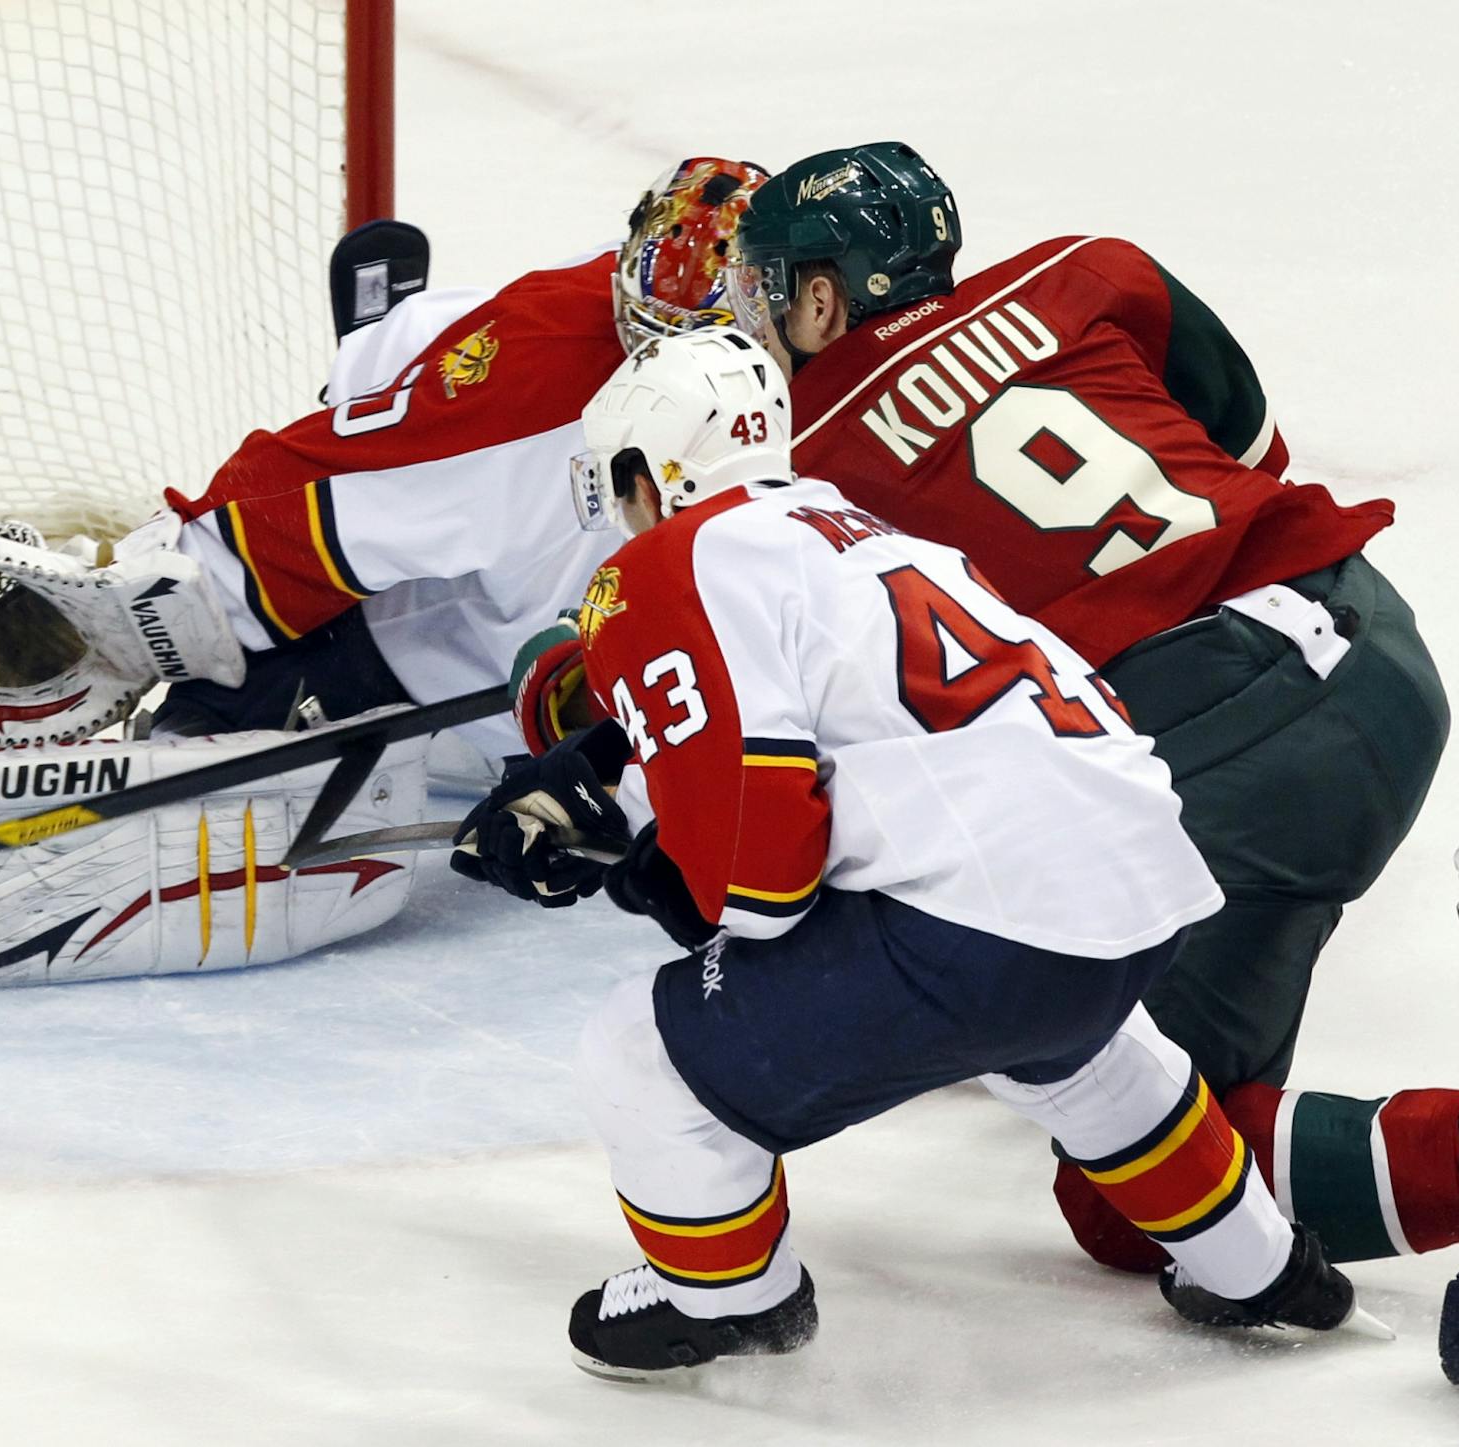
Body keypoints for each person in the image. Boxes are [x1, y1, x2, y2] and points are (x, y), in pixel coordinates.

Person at [450, 326, 1365, 1379]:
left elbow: (759, 890)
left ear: (647, 474)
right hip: (1133, 885)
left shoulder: (673, 557)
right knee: (1081, 1049)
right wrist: (626, 807)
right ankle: (1260, 1266)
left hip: (979, 926)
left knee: (640, 1052)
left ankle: (730, 1297)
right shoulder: (860, 533)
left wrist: (628, 862)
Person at [700, 140, 1459, 1374]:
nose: (752, 316)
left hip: (1228, 753)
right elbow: (1250, 450)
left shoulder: (800, 480)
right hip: (1377, 654)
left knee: (1142, 1188)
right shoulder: (1087, 272)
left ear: (824, 298)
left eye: (767, 287)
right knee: (1176, 1124)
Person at [0, 160, 773, 1014]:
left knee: (396, 386)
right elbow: (339, 490)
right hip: (383, 667)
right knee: (191, 791)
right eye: (643, 329)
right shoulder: (542, 381)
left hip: (498, 687)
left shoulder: (749, 416)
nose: (649, 362)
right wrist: (175, 599)